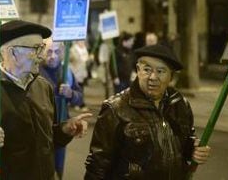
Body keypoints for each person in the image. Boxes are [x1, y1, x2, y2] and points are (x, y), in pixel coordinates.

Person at [0, 20, 91, 180]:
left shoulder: (43, 87)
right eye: (36, 49)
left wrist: (65, 129)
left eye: (41, 48)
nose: (41, 56)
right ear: (12, 53)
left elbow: (48, 139)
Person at [84, 44, 211, 179]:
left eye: (161, 71)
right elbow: (97, 165)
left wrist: (194, 148)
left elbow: (185, 141)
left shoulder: (180, 104)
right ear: (138, 71)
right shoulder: (115, 109)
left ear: (171, 76)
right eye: (147, 70)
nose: (153, 77)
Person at [39, 37, 84, 179]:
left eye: (57, 52)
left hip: (62, 129)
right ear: (41, 51)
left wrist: (71, 94)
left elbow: (80, 97)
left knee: (58, 168)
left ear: (63, 52)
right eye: (49, 52)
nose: (52, 56)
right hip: (41, 131)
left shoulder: (67, 73)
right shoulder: (34, 72)